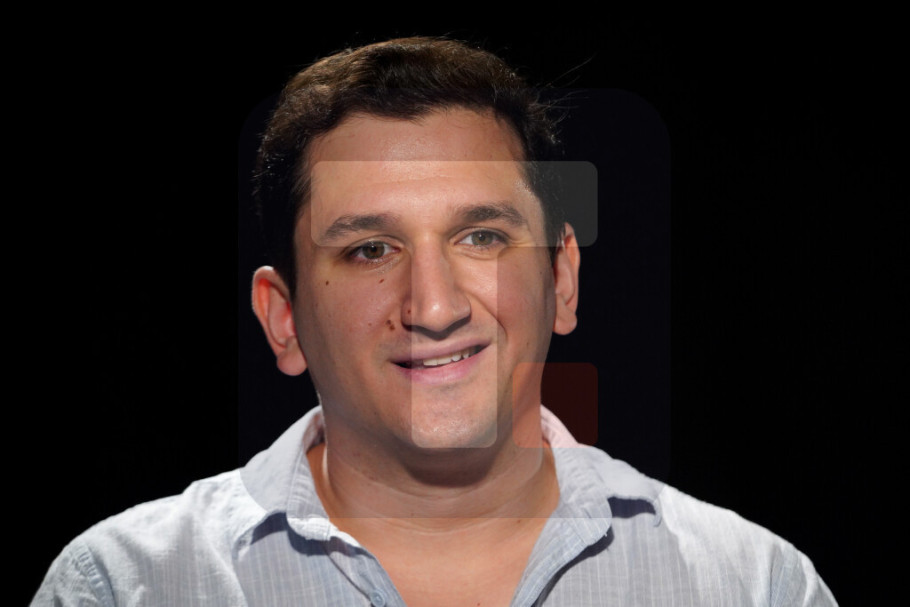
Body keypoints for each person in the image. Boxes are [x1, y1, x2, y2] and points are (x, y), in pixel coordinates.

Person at [33, 36, 837, 606]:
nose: (436, 306)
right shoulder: (123, 587)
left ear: (561, 278)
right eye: (370, 249)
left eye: (481, 236)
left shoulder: (753, 586)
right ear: (284, 320)